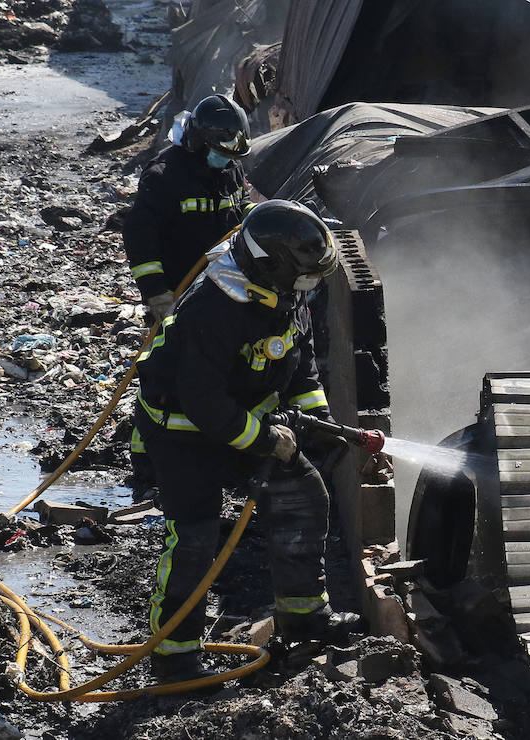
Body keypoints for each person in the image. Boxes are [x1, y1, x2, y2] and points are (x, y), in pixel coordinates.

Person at [133, 199, 361, 682]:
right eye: (303, 280)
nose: (309, 290)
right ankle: (174, 658)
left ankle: (303, 622)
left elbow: (301, 362)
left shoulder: (284, 293)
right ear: (269, 264)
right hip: (183, 435)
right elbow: (202, 400)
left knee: (304, 495)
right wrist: (265, 441)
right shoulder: (216, 305)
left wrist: (319, 424)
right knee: (194, 539)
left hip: (244, 426)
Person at [123, 93, 254, 500]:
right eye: (220, 151)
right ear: (199, 141)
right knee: (164, 377)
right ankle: (147, 460)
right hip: (176, 296)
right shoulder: (164, 176)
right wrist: (157, 294)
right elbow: (140, 239)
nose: (226, 160)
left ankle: (212, 451)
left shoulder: (230, 170)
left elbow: (241, 218)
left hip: (221, 295)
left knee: (215, 375)